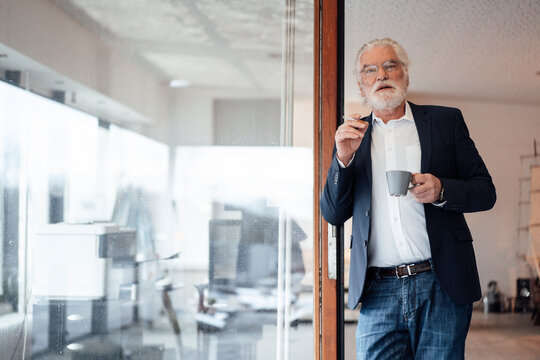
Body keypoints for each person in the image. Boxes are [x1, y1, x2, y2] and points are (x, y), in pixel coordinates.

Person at [320, 38, 496, 359]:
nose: (381, 74)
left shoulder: (445, 121)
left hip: (442, 282)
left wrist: (442, 190)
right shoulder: (350, 135)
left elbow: (485, 191)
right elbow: (333, 212)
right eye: (370, 70)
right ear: (361, 85)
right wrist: (342, 160)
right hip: (378, 290)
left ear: (405, 76)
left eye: (390, 66)